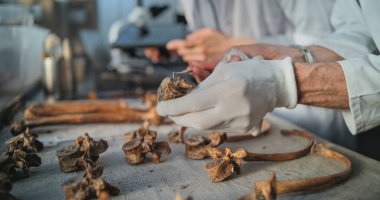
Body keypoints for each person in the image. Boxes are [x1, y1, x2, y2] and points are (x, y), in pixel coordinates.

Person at [156, 0, 380, 157]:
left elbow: (321, 30)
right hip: (241, 111)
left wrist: (282, 84)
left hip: (314, 121)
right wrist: (277, 53)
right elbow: (355, 34)